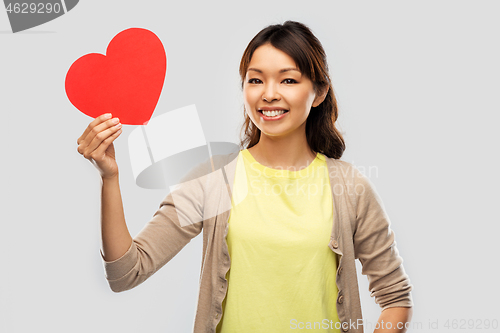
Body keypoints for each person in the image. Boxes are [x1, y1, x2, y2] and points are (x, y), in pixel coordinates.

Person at [77, 20, 413, 333]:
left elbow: (395, 298)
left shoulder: (349, 187)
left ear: (319, 93)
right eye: (256, 79)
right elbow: (126, 273)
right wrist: (110, 178)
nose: (269, 93)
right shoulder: (214, 179)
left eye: (288, 80)